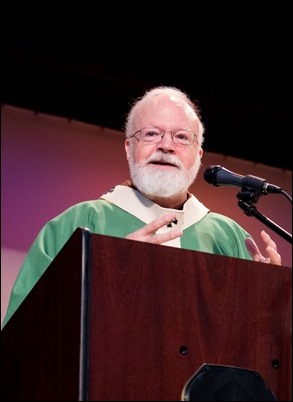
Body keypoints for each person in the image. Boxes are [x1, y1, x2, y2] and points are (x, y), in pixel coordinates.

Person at [2, 86, 281, 327]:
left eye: (182, 137)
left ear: (198, 155)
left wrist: (268, 297)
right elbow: (27, 326)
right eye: (151, 134)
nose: (166, 146)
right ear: (128, 147)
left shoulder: (229, 236)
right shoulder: (78, 222)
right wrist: (113, 273)